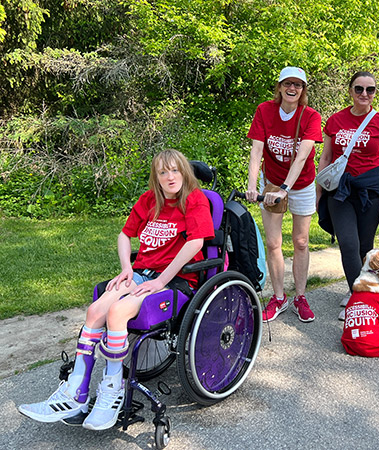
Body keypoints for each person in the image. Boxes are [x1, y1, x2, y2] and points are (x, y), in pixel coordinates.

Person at [18, 149, 215, 429]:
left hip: (173, 280)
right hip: (142, 273)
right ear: (155, 177)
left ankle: (113, 390)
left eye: (175, 170)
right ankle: (76, 391)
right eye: (163, 172)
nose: (170, 177)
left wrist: (159, 281)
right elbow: (125, 234)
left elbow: (195, 243)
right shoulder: (149, 200)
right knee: (95, 310)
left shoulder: (194, 200)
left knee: (118, 312)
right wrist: (127, 268)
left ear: (184, 172)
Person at [246, 67, 323, 323]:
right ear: (279, 87)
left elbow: (302, 156)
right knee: (272, 243)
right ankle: (278, 297)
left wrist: (286, 190)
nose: (292, 89)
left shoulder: (310, 116)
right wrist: (253, 185)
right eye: (288, 83)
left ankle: (300, 296)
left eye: (298, 85)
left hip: (300, 184)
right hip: (272, 183)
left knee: (301, 241)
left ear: (303, 91)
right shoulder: (264, 111)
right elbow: (257, 150)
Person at [317, 71, 379, 320]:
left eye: (370, 90)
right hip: (340, 192)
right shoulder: (335, 121)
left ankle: (365, 289)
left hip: (371, 192)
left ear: (374, 93)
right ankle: (358, 296)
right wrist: (319, 193)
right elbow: (326, 158)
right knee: (348, 244)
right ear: (350, 91)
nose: (364, 94)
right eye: (359, 89)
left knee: (365, 246)